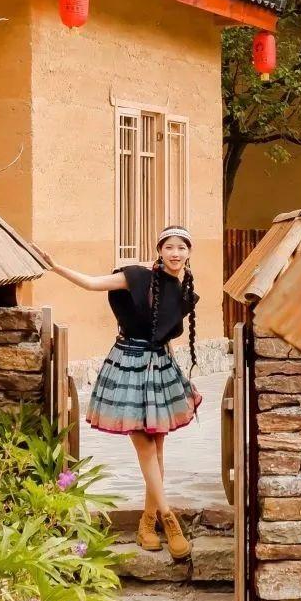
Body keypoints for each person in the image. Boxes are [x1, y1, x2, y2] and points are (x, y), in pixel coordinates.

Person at [39, 227, 202, 560]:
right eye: (169, 247)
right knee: (146, 447)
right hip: (128, 364)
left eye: (181, 247)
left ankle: (146, 525)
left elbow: (165, 330)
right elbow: (92, 283)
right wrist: (55, 267)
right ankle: (169, 520)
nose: (175, 253)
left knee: (157, 448)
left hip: (159, 367)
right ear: (160, 250)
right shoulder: (137, 277)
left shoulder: (182, 289)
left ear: (188, 252)